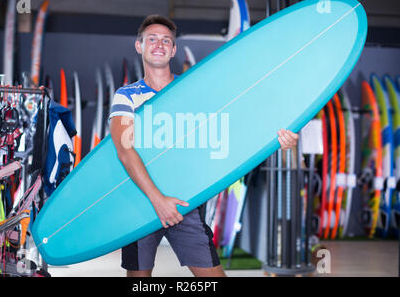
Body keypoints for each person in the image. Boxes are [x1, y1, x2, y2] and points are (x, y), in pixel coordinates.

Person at [109, 15, 298, 277]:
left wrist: (277, 139)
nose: (159, 44)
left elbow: (232, 130)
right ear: (139, 46)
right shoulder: (126, 95)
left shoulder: (192, 93)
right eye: (151, 39)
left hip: (186, 203)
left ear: (173, 50)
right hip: (141, 203)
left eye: (166, 40)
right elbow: (124, 150)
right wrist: (157, 200)